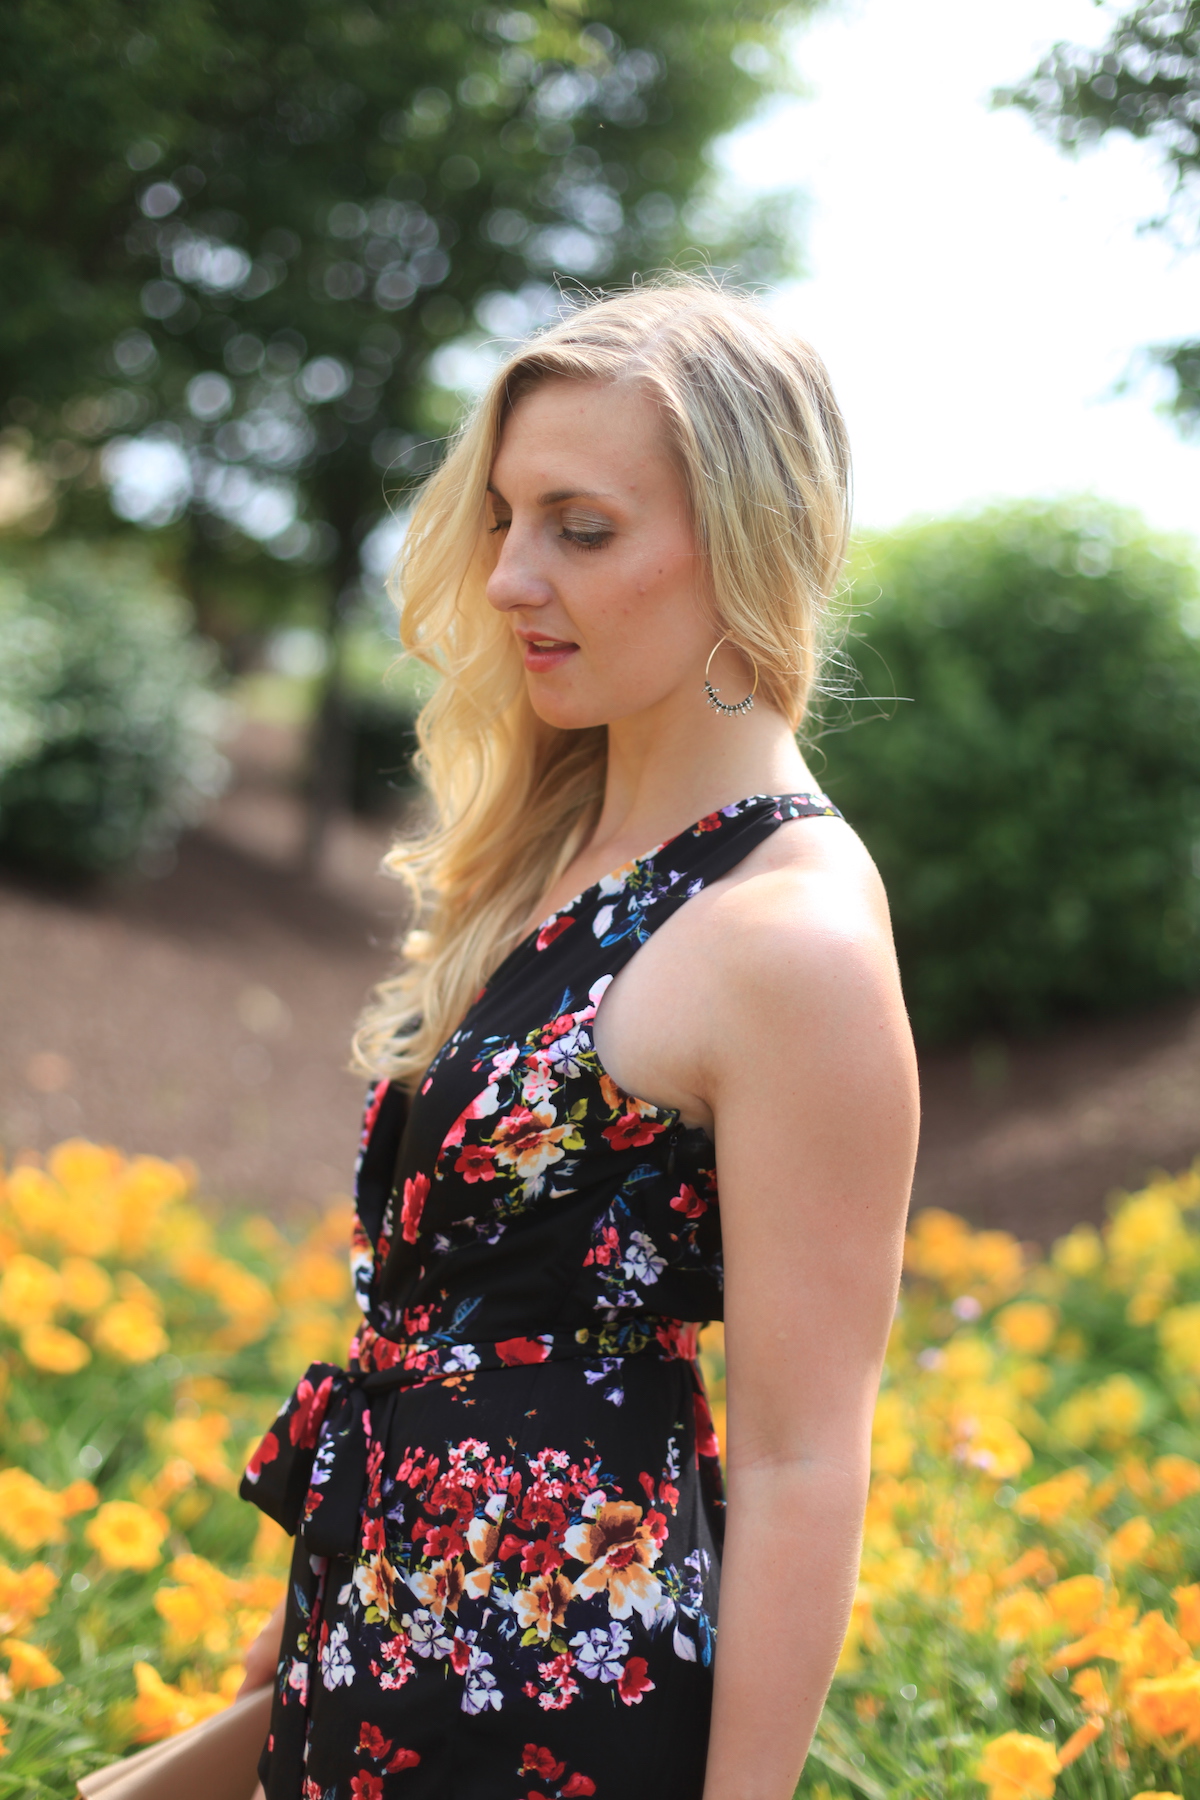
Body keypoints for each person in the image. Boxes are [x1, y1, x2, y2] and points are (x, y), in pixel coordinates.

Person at [237, 278, 918, 1800]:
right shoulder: (555, 848)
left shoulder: (787, 939)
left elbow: (805, 1467)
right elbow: (417, 1371)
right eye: (502, 519)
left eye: (580, 527)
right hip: (377, 1674)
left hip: (561, 1725)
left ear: (750, 543)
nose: (505, 579)